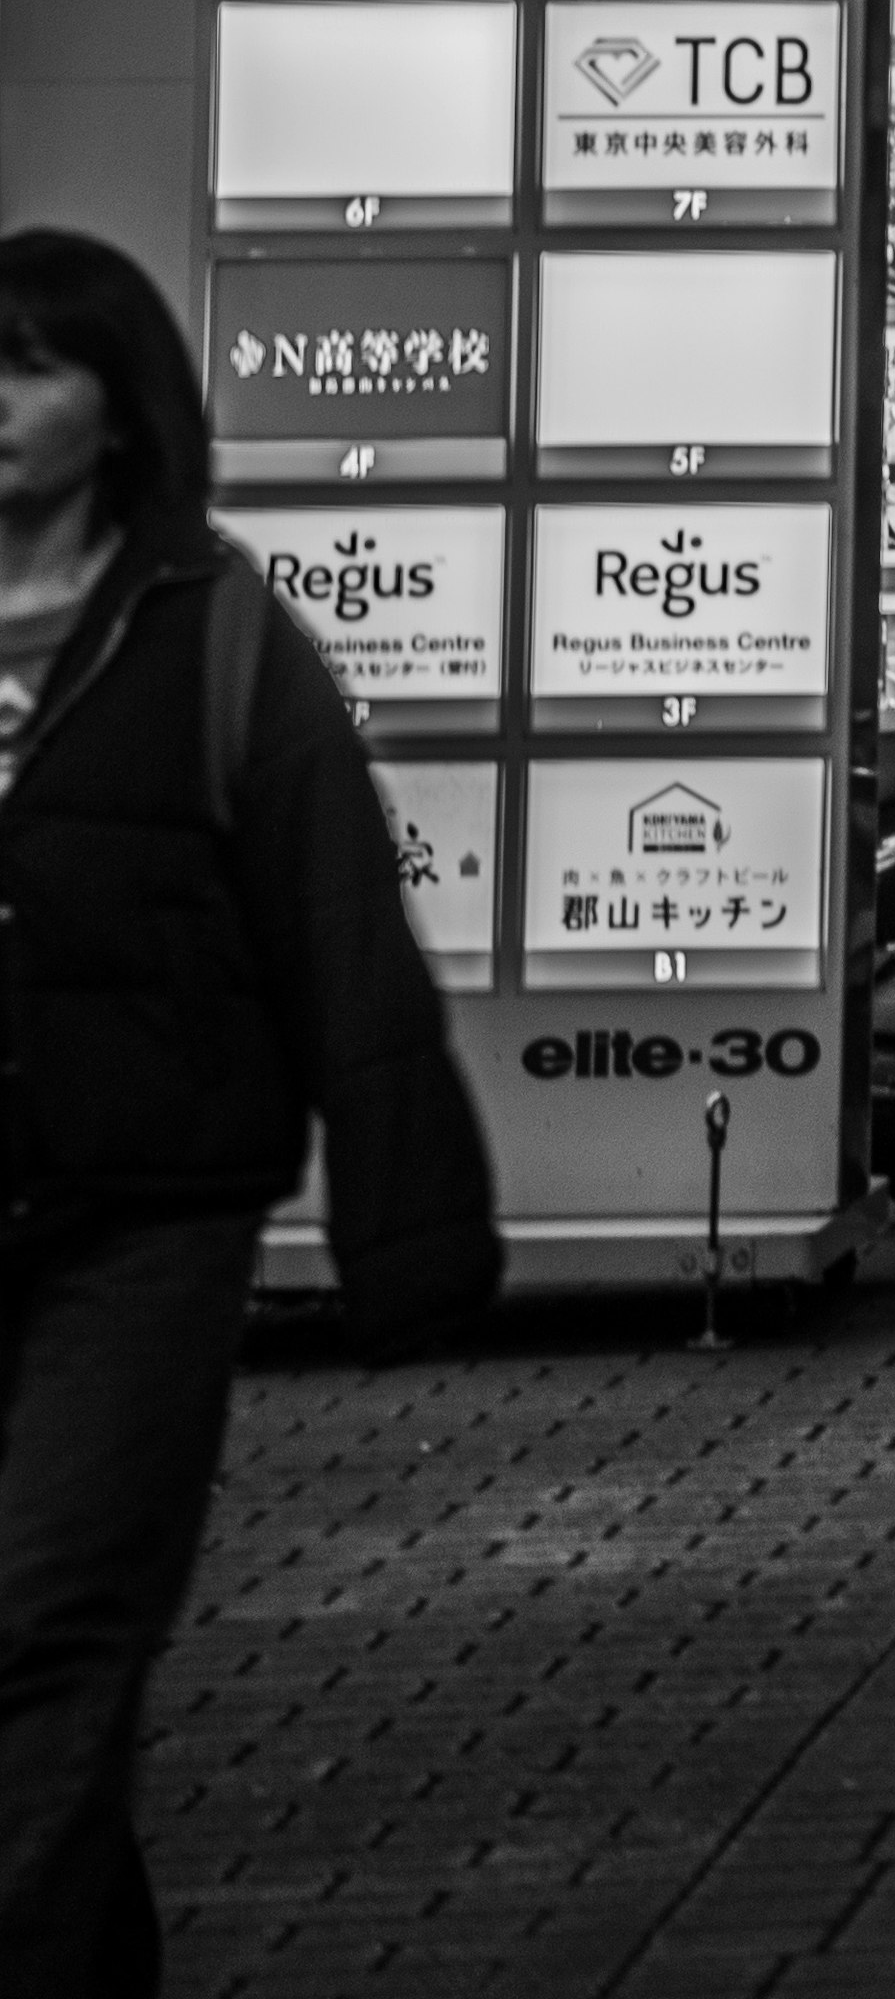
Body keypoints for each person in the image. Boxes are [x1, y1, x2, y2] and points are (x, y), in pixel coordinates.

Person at [0, 230, 501, 1998]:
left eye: (32, 367)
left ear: (120, 407)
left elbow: (341, 936)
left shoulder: (217, 638)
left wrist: (412, 1242)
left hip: (145, 1224)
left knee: (51, 1631)